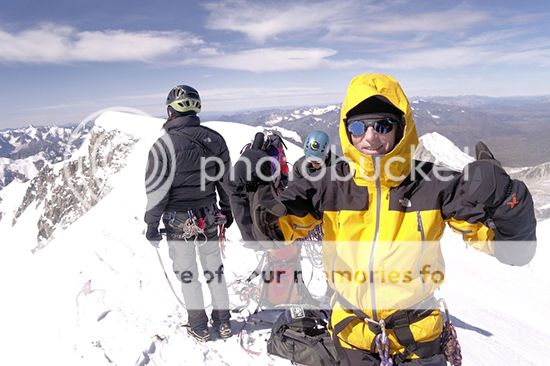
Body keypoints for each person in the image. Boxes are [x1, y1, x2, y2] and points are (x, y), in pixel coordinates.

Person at [236, 73, 537, 365]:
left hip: (418, 336)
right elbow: (270, 234)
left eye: (382, 125)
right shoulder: (326, 184)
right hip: (353, 333)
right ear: (346, 130)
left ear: (401, 129)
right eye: (358, 126)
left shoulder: (436, 184)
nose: (370, 137)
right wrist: (250, 193)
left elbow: (515, 251)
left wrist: (509, 201)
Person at [144, 85, 234, 342]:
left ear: (170, 112)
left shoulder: (163, 146)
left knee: (187, 273)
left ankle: (199, 326)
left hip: (177, 219)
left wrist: (151, 225)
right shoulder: (215, 139)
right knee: (214, 269)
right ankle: (223, 321)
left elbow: (156, 192)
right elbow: (225, 183)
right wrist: (227, 212)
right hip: (208, 213)